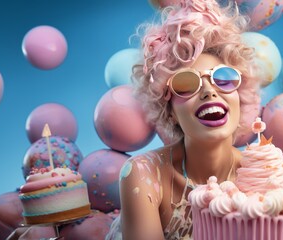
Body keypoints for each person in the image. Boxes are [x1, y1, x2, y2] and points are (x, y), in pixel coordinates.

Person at [105, 0, 261, 239]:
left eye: (224, 78)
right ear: (169, 111)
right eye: (186, 84)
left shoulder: (262, 173)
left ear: (240, 96)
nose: (210, 91)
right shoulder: (143, 174)